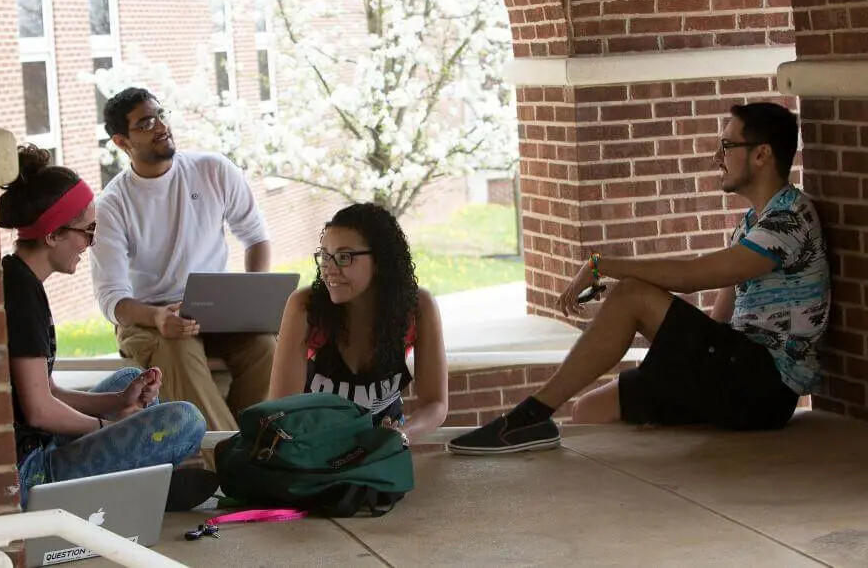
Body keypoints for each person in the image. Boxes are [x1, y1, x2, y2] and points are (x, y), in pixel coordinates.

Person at [449, 102, 830, 455]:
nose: (717, 158)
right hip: (732, 368)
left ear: (761, 154)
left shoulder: (789, 219)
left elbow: (692, 276)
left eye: (726, 145)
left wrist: (602, 266)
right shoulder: (751, 224)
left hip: (764, 386)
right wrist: (682, 370)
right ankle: (535, 423)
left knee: (632, 294)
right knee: (592, 409)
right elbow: (718, 321)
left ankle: (525, 418)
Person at [0, 145, 207, 508]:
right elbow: (39, 410)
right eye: (87, 232)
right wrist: (107, 429)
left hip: (38, 442)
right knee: (184, 421)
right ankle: (140, 485)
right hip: (32, 474)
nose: (91, 244)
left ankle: (140, 476)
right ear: (52, 235)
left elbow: (48, 393)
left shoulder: (22, 280)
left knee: (127, 381)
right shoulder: (20, 295)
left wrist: (116, 402)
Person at [91, 87, 275, 431]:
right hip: (149, 317)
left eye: (161, 115)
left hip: (215, 309)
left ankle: (251, 449)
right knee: (178, 351)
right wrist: (158, 316)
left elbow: (255, 236)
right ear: (121, 142)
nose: (161, 126)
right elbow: (111, 299)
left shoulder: (213, 170)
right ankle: (229, 459)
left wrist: (253, 299)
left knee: (265, 346)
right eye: (146, 123)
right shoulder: (113, 205)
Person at [269, 203, 448, 444]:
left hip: (380, 450)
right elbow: (282, 411)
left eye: (344, 257)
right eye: (325, 256)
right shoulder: (305, 307)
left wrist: (402, 434)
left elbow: (435, 403)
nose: (329, 268)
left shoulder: (417, 308)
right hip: (313, 449)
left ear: (379, 261)